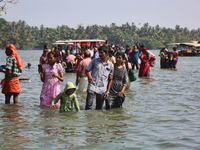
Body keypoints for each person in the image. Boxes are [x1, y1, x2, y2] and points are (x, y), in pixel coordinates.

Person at [85, 46, 114, 110]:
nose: (99, 54)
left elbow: (110, 79)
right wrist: (89, 76)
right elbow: (87, 70)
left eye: (101, 53)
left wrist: (108, 92)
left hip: (102, 89)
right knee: (88, 107)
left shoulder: (110, 65)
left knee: (99, 108)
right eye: (99, 53)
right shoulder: (94, 61)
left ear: (106, 53)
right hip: (92, 86)